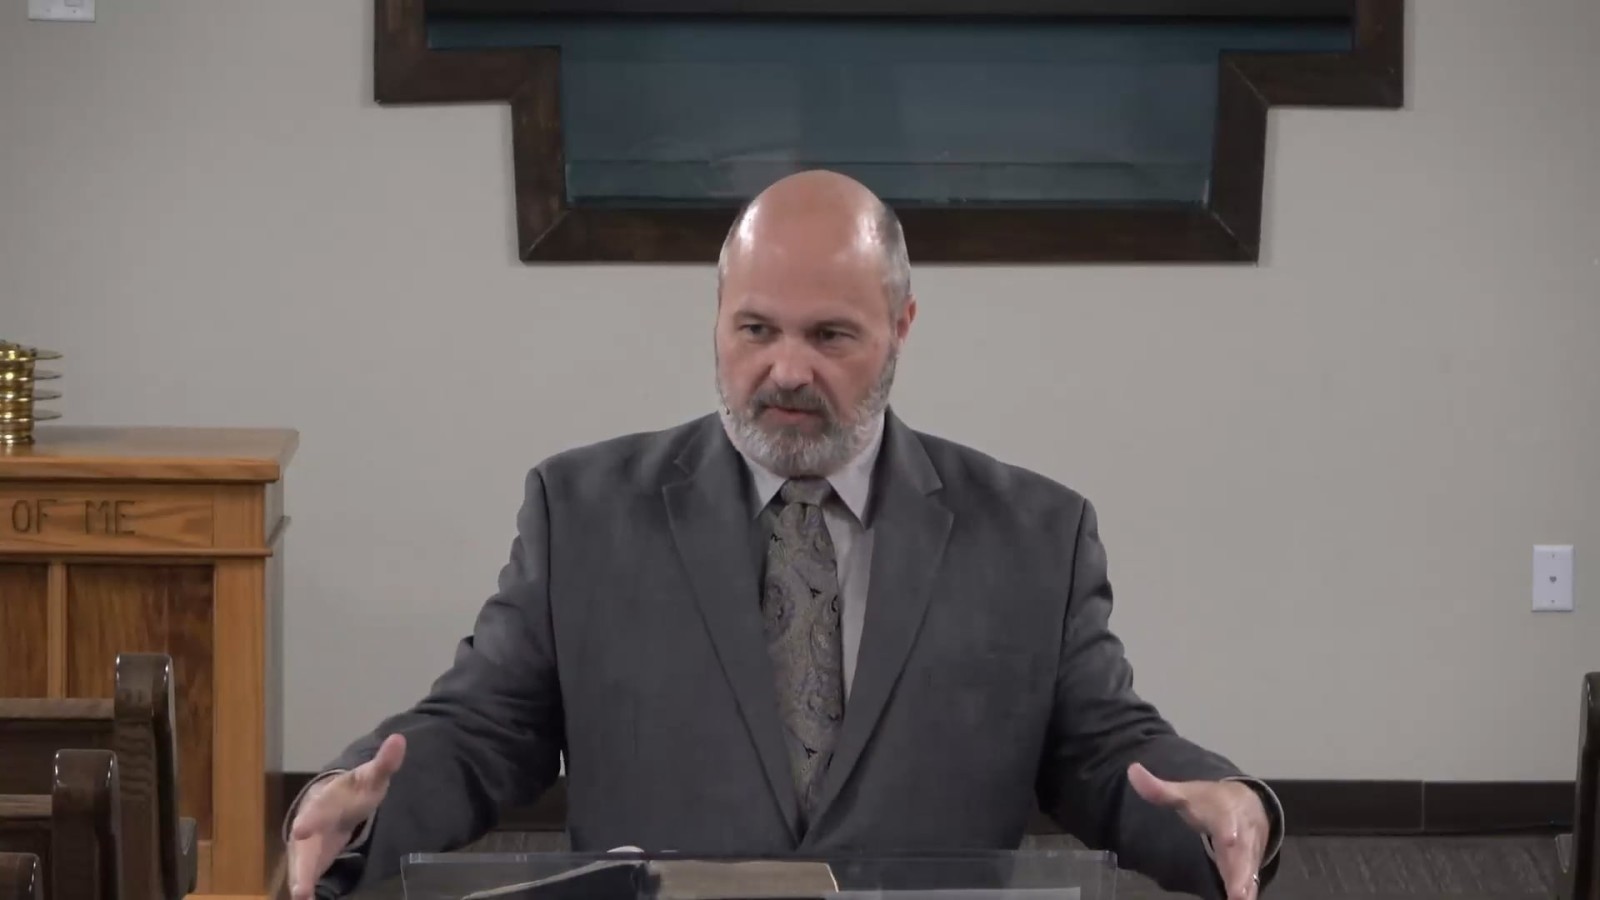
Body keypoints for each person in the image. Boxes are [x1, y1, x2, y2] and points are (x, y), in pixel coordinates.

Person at [286, 170, 1284, 900]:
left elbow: (1104, 750)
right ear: (716, 317)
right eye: (756, 330)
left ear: (901, 326)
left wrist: (1230, 806)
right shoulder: (582, 512)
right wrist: (356, 804)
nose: (788, 371)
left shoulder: (1033, 534)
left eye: (830, 335)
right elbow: (483, 726)